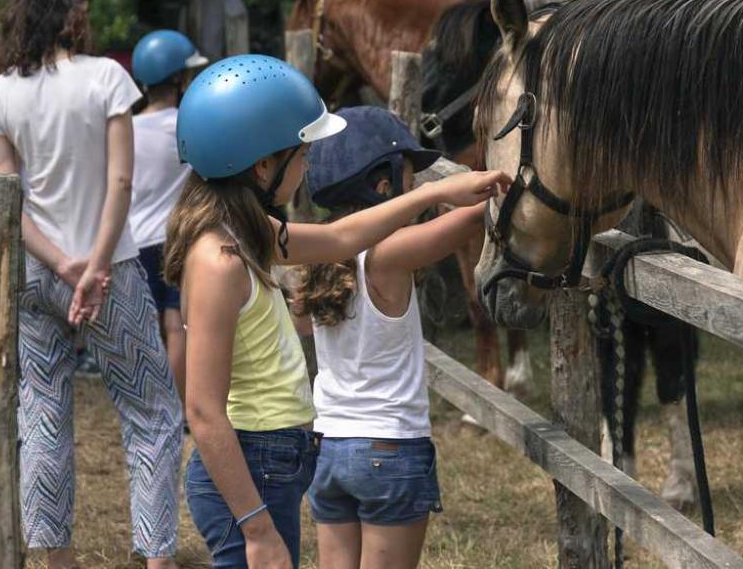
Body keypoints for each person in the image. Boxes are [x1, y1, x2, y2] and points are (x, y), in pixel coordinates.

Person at [167, 54, 508, 569]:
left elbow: (341, 237)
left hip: (274, 460)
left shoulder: (248, 233)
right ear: (263, 166)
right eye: (301, 154)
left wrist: (438, 191)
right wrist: (256, 529)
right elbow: (202, 410)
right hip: (253, 464)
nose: (307, 167)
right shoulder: (221, 261)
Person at [0, 0, 182, 569]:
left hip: (38, 274)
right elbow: (121, 182)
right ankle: (157, 557)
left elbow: (4, 198)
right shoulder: (107, 79)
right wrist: (94, 264)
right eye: (83, 7)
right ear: (69, 15)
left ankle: (56, 562)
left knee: (41, 411)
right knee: (153, 411)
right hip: (110, 268)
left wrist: (64, 265)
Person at [292, 106, 491, 569]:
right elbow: (475, 218)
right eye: (408, 175)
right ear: (382, 186)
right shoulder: (388, 254)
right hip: (389, 447)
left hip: (331, 447)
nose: (414, 184)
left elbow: (301, 323)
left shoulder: (320, 256)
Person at [130, 29, 208, 406]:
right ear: (178, 77)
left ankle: (149, 404)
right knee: (177, 324)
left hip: (135, 240)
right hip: (178, 237)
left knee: (146, 327)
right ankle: (178, 407)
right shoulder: (187, 124)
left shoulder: (125, 128)